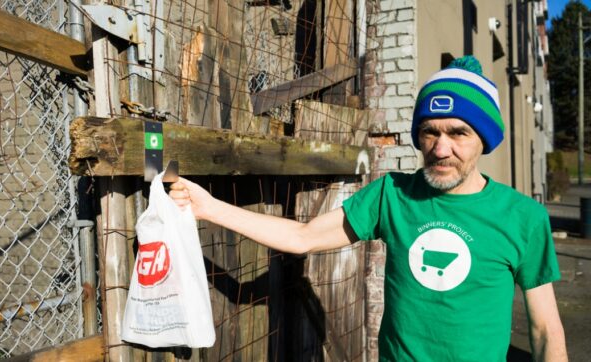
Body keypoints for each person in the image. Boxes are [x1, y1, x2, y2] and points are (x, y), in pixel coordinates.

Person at [168, 56, 567, 361]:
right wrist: (208, 206)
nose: (441, 148)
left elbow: (546, 330)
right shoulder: (391, 195)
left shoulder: (522, 217)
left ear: (484, 137)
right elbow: (302, 237)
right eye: (430, 131)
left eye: (458, 133)